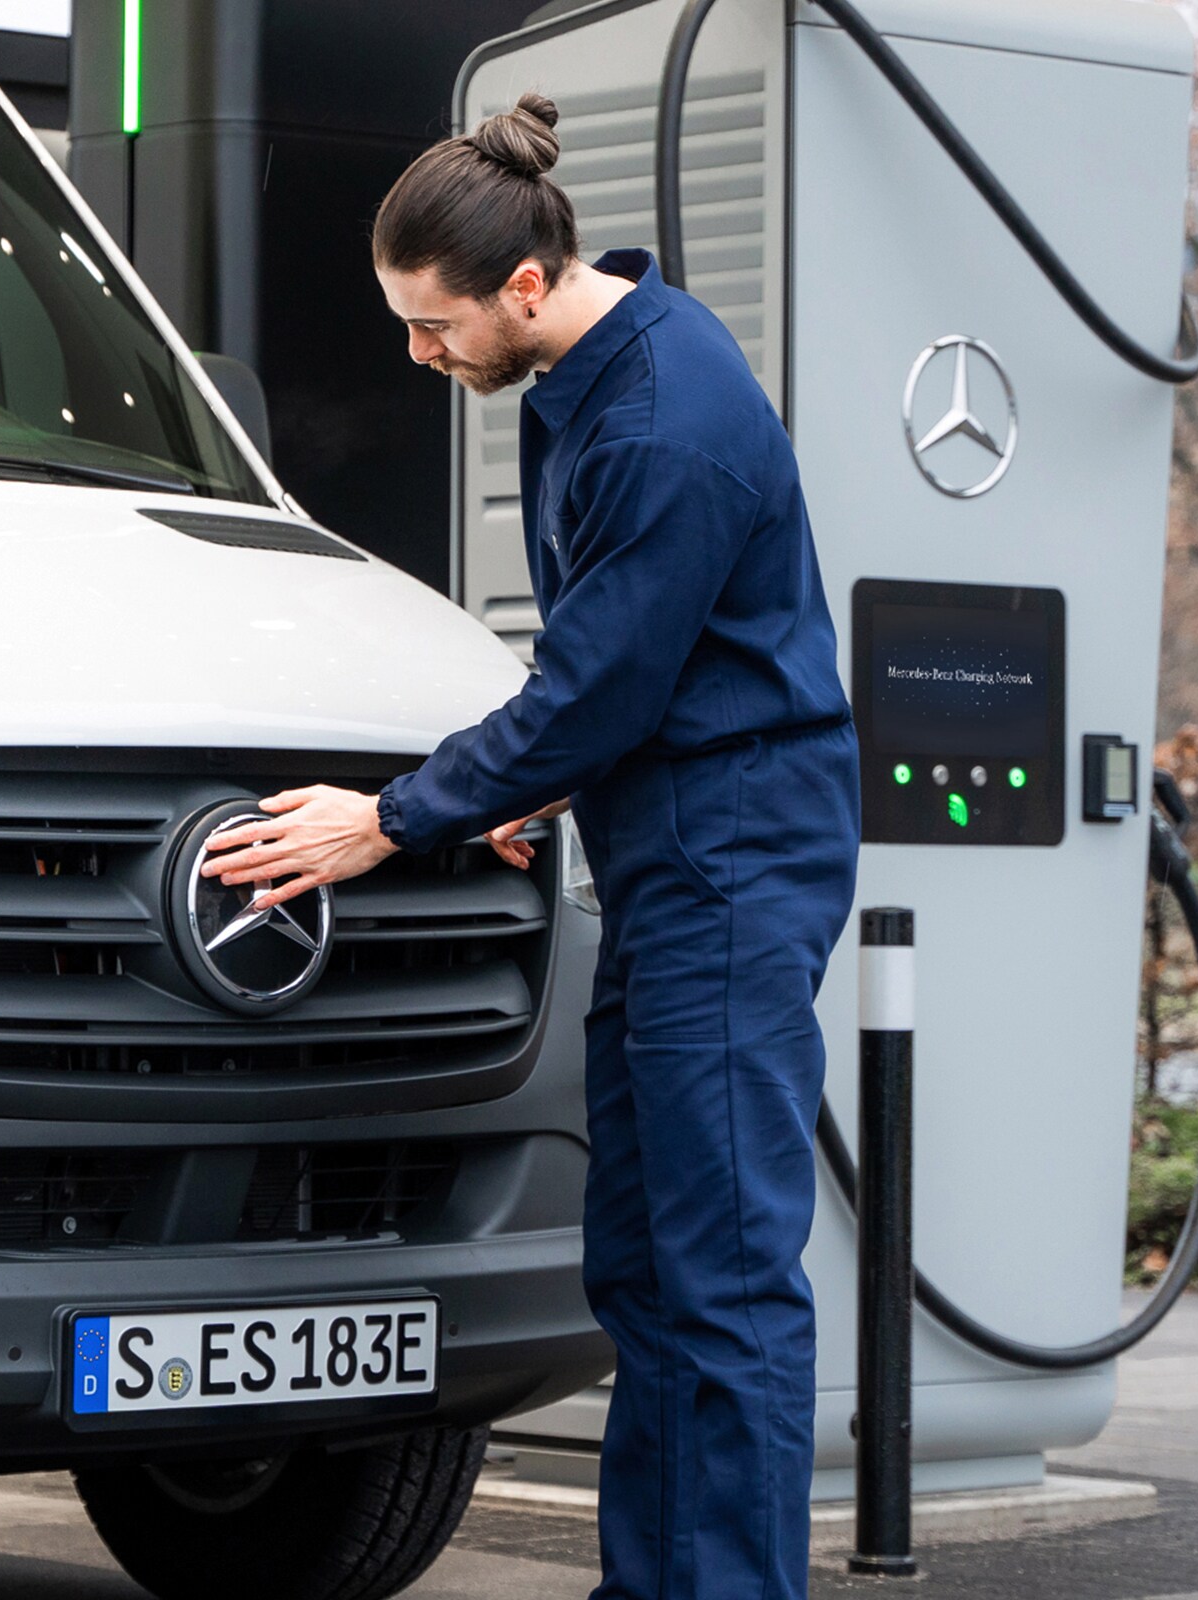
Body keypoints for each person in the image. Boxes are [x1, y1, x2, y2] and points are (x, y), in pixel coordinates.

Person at [195, 91, 859, 1600]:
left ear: (528, 286)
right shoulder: (599, 362)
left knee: (726, 1283)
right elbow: (626, 670)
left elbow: (599, 684)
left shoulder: (661, 425)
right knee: (645, 1262)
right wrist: (541, 780)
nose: (417, 358)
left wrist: (390, 819)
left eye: (433, 328)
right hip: (678, 835)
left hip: (731, 859)